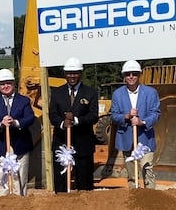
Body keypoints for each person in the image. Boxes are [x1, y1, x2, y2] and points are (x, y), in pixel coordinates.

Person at [49, 57, 99, 192]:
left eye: (75, 73)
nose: (72, 76)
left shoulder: (91, 93)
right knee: (61, 184)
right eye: (69, 73)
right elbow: (52, 114)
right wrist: (62, 123)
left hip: (83, 144)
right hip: (62, 144)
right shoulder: (56, 93)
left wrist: (76, 120)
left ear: (80, 73)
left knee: (85, 185)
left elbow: (93, 116)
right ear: (65, 74)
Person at [110, 60, 161, 189]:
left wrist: (142, 122)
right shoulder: (117, 94)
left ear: (139, 75)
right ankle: (133, 198)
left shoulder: (151, 93)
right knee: (132, 174)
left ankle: (151, 197)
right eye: (128, 74)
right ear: (124, 76)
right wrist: (126, 116)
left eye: (134, 74)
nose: (131, 76)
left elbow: (155, 114)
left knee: (147, 169)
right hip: (127, 139)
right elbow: (114, 116)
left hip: (145, 138)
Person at [0, 68, 35, 196]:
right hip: (0, 146)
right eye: (2, 84)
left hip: (20, 146)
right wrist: (0, 123)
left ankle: (20, 202)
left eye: (8, 83)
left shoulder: (23, 101)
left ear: (13, 84)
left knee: (19, 177)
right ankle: (2, 204)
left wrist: (16, 123)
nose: (5, 86)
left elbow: (30, 118)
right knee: (1, 177)